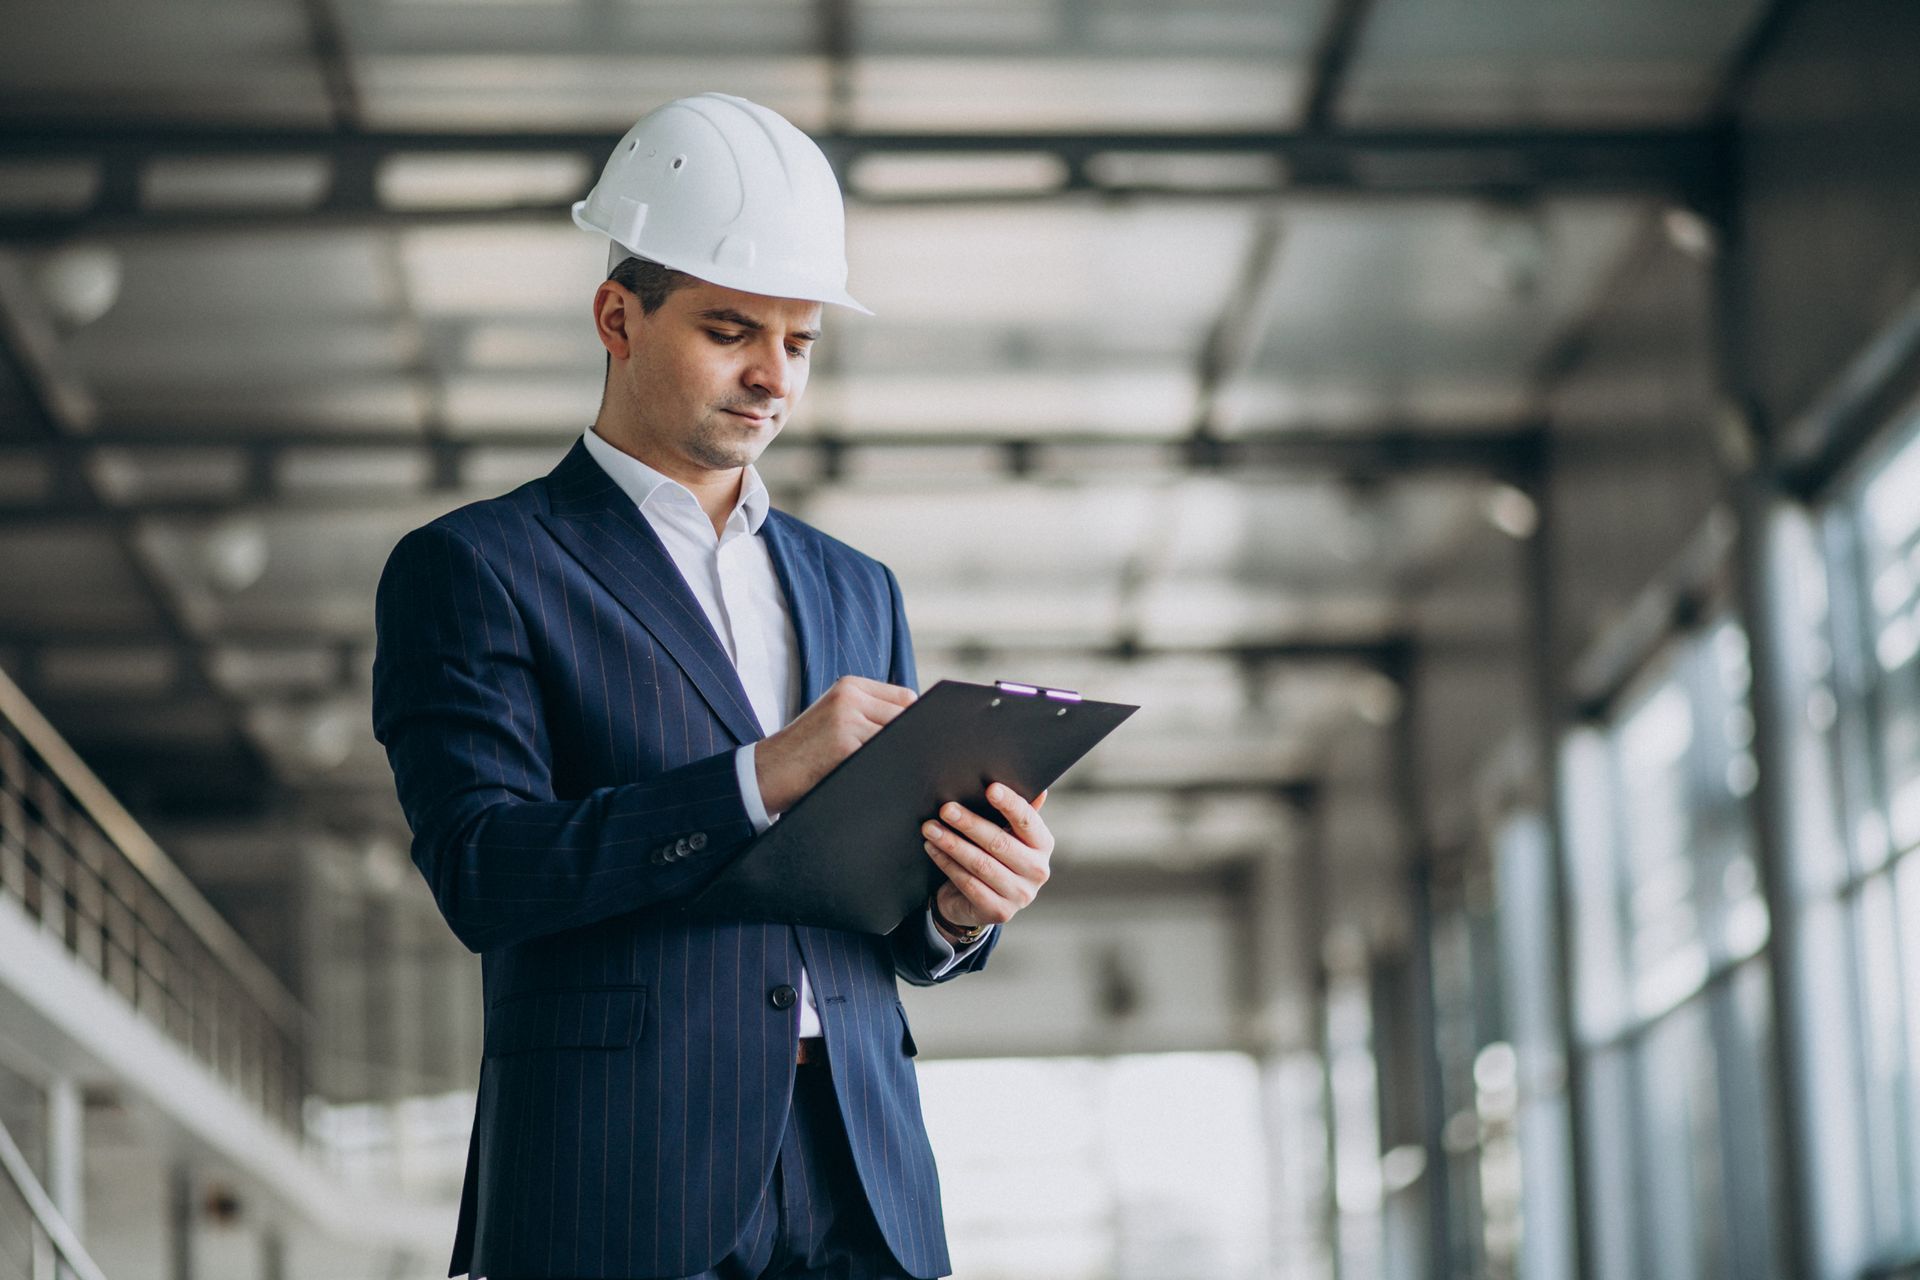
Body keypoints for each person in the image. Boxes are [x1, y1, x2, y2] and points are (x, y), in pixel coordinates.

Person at [370, 92, 1055, 1280]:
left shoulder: (858, 588)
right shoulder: (476, 566)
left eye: (798, 343)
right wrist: (759, 774)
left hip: (858, 1170)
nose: (771, 377)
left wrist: (959, 903)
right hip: (615, 1171)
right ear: (617, 316)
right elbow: (483, 867)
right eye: (731, 330)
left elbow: (876, 910)